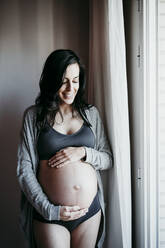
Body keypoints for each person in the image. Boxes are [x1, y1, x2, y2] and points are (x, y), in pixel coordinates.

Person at [17, 49, 113, 248]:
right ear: (52, 80)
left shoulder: (91, 114)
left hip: (88, 213)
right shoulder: (33, 117)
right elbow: (24, 170)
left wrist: (83, 152)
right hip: (50, 215)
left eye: (75, 80)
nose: (71, 88)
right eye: (64, 80)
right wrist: (50, 210)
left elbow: (107, 158)